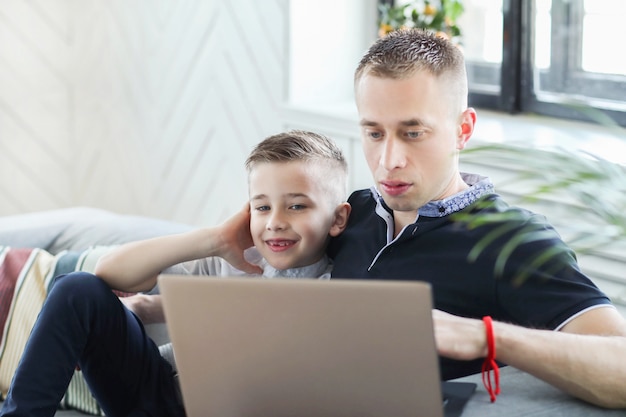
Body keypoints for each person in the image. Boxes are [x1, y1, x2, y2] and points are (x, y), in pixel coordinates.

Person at [322, 28, 626, 408]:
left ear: (462, 130)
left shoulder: (512, 240)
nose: (388, 160)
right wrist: (224, 239)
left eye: (413, 132)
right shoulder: (356, 211)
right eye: (374, 133)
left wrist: (486, 337)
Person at [0, 130, 351, 417]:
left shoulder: (340, 289)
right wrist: (213, 239)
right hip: (158, 391)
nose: (275, 222)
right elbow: (109, 272)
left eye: (296, 206)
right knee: (77, 288)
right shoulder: (229, 258)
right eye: (262, 206)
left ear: (338, 218)